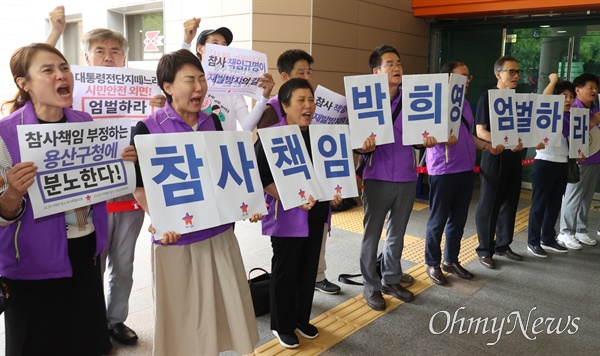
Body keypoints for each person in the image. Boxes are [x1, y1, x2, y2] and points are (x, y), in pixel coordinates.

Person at [0, 42, 136, 355]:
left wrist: (123, 164)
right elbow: (3, 214)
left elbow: (100, 186)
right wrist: (12, 193)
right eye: (47, 70)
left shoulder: (85, 123)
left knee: (85, 342)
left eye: (64, 68)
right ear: (25, 83)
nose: (61, 75)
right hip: (30, 265)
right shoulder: (5, 135)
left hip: (84, 253)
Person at [131, 49, 259, 355]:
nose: (199, 87)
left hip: (218, 235)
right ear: (168, 86)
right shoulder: (147, 128)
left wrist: (247, 204)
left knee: (223, 308)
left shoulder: (213, 121)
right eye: (190, 79)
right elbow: (140, 188)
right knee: (184, 317)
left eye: (202, 78)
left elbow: (223, 173)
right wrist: (161, 222)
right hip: (178, 241)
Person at [254, 78, 342, 348]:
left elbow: (328, 175)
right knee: (285, 271)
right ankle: (282, 325)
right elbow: (262, 179)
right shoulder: (271, 137)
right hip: (287, 217)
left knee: (307, 270)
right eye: (301, 100)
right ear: (285, 105)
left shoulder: (319, 134)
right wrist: (294, 198)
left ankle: (301, 319)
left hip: (316, 214)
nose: (309, 106)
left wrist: (335, 192)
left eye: (311, 100)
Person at [359, 45, 432, 311]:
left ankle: (390, 277)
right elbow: (356, 140)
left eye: (398, 63)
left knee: (397, 233)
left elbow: (420, 138)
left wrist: (427, 141)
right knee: (372, 234)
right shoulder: (365, 102)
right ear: (376, 71)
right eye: (389, 63)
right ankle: (371, 285)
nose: (397, 67)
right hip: (377, 177)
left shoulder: (413, 99)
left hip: (406, 177)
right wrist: (361, 146)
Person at [424, 61, 502, 285]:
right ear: (447, 79)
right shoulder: (433, 104)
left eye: (469, 76)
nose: (467, 81)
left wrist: (487, 147)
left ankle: (451, 260)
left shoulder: (466, 104)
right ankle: (432, 263)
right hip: (443, 170)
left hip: (466, 169)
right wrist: (436, 138)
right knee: (437, 221)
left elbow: (468, 136)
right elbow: (423, 136)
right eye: (462, 76)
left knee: (458, 221)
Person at [474, 55, 526, 269]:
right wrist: (503, 141)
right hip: (495, 155)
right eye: (511, 72)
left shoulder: (518, 99)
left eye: (518, 72)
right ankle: (485, 249)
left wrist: (523, 141)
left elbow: (525, 128)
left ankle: (503, 244)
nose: (516, 76)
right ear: (498, 74)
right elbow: (480, 131)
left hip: (514, 156)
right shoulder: (487, 98)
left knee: (510, 201)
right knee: (490, 202)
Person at [526, 74, 586, 257]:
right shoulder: (549, 114)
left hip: (562, 165)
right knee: (539, 205)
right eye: (563, 96)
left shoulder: (573, 118)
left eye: (571, 97)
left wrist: (579, 154)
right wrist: (553, 81)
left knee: (554, 205)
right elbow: (545, 99)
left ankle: (548, 238)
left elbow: (576, 143)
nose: (568, 100)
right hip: (544, 163)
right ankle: (533, 242)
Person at [181, 18, 275, 131]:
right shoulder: (190, 80)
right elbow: (180, 70)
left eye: (224, 45)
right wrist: (186, 41)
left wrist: (263, 98)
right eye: (215, 43)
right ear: (200, 49)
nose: (221, 49)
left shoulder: (233, 86)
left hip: (225, 147)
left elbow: (247, 126)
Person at [559, 73, 600, 248]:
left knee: (587, 197)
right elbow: (572, 135)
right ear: (579, 89)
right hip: (580, 160)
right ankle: (565, 232)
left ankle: (581, 230)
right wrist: (593, 122)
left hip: (595, 157)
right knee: (573, 196)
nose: (594, 90)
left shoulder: (594, 107)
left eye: (595, 88)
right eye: (590, 87)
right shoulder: (574, 109)